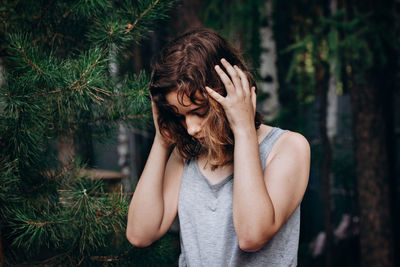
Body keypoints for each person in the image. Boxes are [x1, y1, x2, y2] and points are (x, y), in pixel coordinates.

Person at [126, 28, 310, 267]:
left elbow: (251, 236)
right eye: (179, 116)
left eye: (199, 112)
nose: (190, 128)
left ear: (232, 92)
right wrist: (162, 141)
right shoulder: (187, 153)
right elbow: (140, 234)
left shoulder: (288, 147)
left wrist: (243, 129)